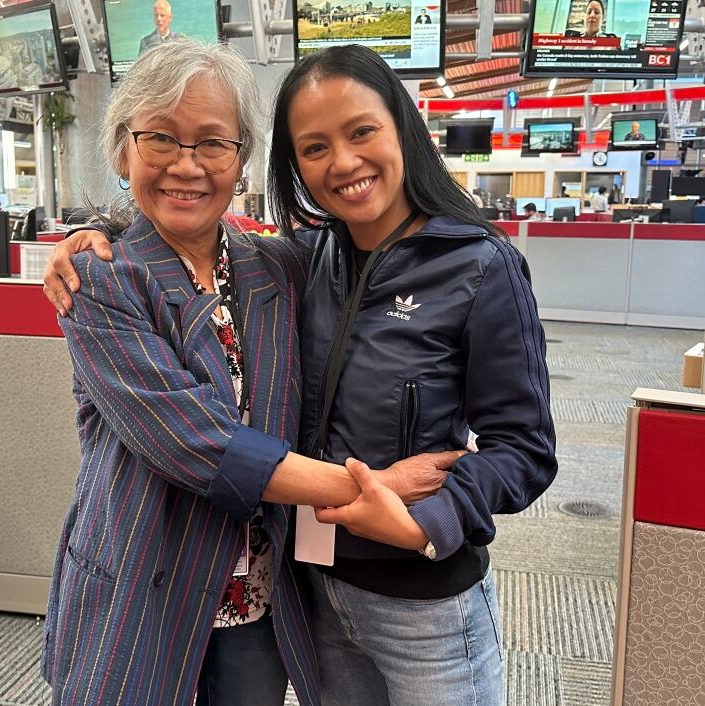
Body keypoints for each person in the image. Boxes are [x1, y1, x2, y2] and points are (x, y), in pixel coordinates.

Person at [46, 43, 557, 706]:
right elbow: (190, 440)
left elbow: (522, 448)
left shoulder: (292, 268)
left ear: (242, 159)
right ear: (124, 149)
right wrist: (96, 229)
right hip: (162, 590)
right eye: (160, 138)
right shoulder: (119, 277)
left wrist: (426, 517)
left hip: (305, 601)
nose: (188, 163)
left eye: (213, 143)